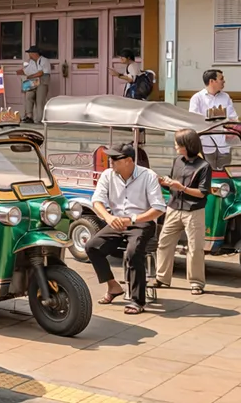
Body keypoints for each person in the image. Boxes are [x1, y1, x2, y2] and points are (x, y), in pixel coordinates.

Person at [85, 143, 166, 315]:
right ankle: (112, 286)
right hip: (116, 221)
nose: (110, 161)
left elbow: (158, 208)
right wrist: (108, 217)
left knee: (133, 252)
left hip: (142, 222)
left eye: (115, 158)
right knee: (92, 247)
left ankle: (137, 301)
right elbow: (97, 201)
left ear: (129, 160)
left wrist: (133, 219)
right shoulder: (108, 175)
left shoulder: (148, 176)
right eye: (110, 158)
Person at [154, 128, 211, 295]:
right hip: (173, 207)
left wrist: (183, 188)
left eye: (178, 143)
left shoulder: (204, 166)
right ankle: (161, 277)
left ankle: (196, 282)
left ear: (188, 145)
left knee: (195, 248)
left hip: (193, 211)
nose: (175, 146)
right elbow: (173, 182)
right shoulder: (177, 161)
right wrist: (166, 182)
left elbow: (202, 192)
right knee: (164, 243)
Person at [189, 69, 237, 170]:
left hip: (224, 143)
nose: (224, 81)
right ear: (212, 81)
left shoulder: (225, 97)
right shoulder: (197, 98)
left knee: (224, 174)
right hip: (206, 144)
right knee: (208, 174)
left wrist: (232, 127)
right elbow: (193, 120)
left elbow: (233, 117)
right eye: (221, 79)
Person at [16, 46, 50, 124]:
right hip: (32, 82)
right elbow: (26, 70)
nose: (29, 55)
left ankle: (40, 119)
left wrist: (30, 76)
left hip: (42, 81)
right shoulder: (30, 62)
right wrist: (19, 72)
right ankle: (29, 116)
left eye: (30, 53)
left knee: (40, 100)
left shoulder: (44, 60)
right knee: (29, 97)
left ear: (34, 53)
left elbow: (41, 72)